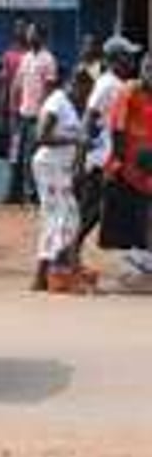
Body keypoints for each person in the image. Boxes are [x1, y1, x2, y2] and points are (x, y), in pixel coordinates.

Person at [76, 35, 142, 253]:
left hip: (111, 159)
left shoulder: (120, 85)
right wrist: (81, 159)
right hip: (100, 160)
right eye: (128, 56)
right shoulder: (106, 84)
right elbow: (89, 117)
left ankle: (70, 255)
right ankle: (66, 257)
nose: (132, 61)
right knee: (90, 212)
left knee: (100, 212)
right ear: (115, 59)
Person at [29, 67, 92, 292]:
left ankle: (45, 275)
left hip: (60, 168)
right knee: (63, 218)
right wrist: (75, 139)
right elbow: (42, 136)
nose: (86, 96)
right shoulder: (57, 102)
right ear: (75, 84)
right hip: (48, 165)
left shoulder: (70, 105)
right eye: (85, 90)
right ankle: (55, 273)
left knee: (64, 217)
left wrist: (77, 163)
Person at [101, 53, 152, 291]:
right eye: (147, 68)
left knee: (144, 215)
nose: (149, 73)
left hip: (147, 166)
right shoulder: (129, 91)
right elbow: (117, 129)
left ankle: (143, 265)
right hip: (129, 165)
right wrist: (121, 160)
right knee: (123, 218)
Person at [10, 23, 57, 204]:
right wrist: (13, 107)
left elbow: (49, 89)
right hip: (23, 114)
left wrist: (44, 114)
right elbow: (17, 82)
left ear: (40, 37)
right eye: (29, 33)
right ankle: (24, 193)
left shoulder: (48, 59)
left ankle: (33, 194)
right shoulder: (26, 57)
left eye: (32, 33)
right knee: (20, 155)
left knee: (34, 155)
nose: (29, 36)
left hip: (38, 116)